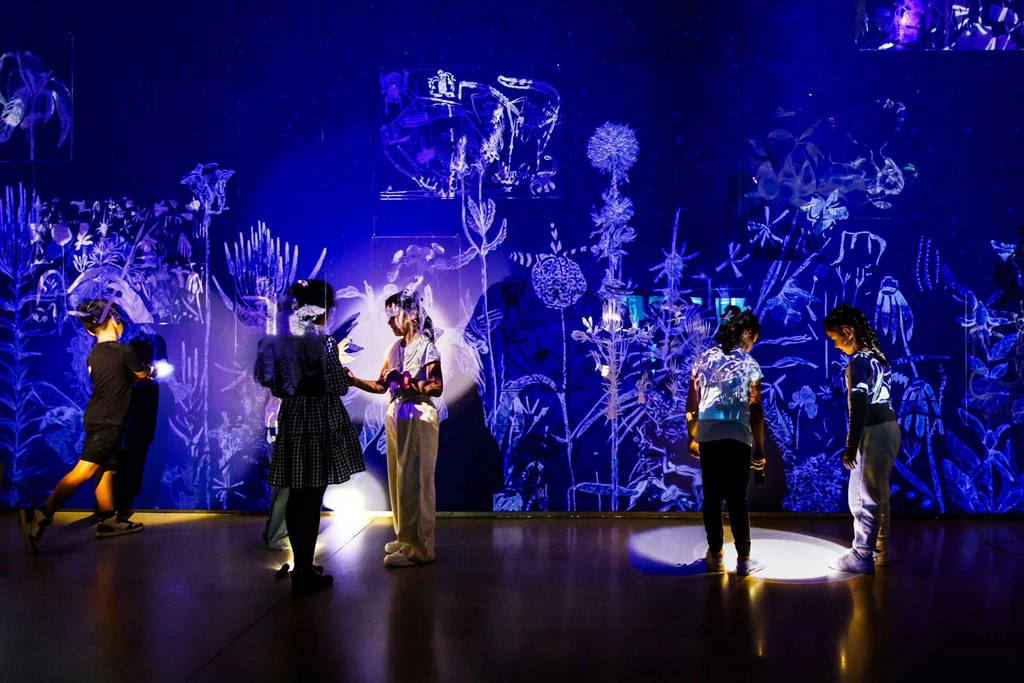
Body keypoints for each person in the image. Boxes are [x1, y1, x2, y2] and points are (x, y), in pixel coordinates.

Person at [19, 300, 159, 552]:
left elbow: (118, 379)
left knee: (106, 468)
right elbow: (140, 374)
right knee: (86, 469)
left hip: (96, 417)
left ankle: (108, 521)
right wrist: (151, 370)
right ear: (115, 320)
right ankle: (40, 515)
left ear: (88, 330)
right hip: (109, 420)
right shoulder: (124, 350)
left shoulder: (95, 354)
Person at [254, 279, 364, 594]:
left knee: (295, 492)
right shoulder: (322, 342)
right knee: (312, 497)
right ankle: (303, 569)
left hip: (291, 419)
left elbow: (270, 382)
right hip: (318, 420)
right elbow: (338, 386)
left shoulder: (279, 342)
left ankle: (301, 564)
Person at [346, 289, 443, 568]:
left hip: (417, 414)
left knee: (416, 481)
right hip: (396, 412)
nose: (389, 322)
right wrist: (354, 380)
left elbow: (436, 386)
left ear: (411, 314)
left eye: (393, 315)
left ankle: (419, 548)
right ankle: (406, 537)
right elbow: (381, 385)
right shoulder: (394, 348)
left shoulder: (426, 347)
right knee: (399, 478)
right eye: (387, 316)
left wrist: (405, 381)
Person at [687, 309, 766, 576]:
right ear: (748, 334)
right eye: (754, 339)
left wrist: (691, 436)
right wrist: (759, 447)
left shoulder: (703, 359)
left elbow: (692, 404)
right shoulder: (749, 363)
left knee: (711, 497)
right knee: (737, 498)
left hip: (709, 435)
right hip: (738, 435)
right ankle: (744, 559)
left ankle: (716, 556)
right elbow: (755, 407)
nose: (752, 344)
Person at [824, 304, 900, 573]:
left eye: (835, 338)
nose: (835, 345)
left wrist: (851, 444)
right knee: (880, 494)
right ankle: (880, 550)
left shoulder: (858, 361)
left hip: (873, 431)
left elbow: (859, 404)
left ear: (847, 332)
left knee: (862, 496)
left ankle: (862, 555)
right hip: (890, 428)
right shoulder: (878, 358)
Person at [112, 325, 168, 522]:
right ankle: (116, 506)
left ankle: (115, 506)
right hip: (132, 412)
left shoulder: (125, 342)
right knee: (128, 457)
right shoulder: (126, 344)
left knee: (129, 456)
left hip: (133, 412)